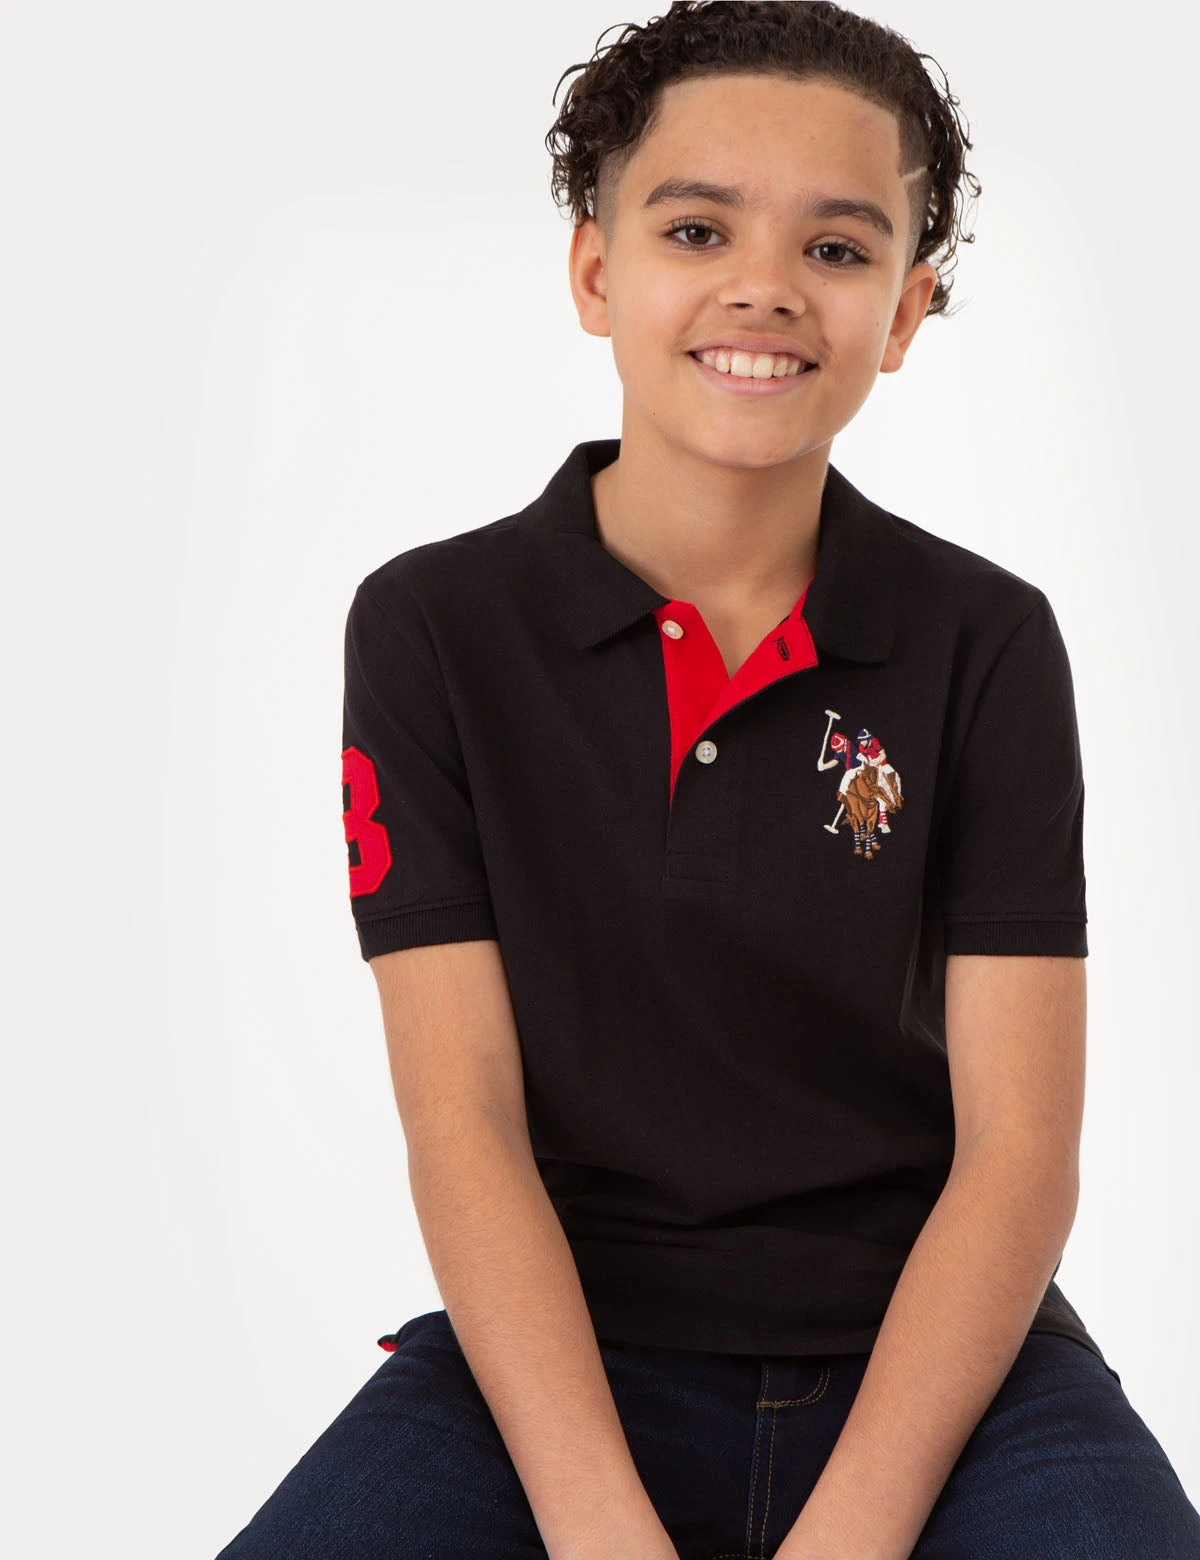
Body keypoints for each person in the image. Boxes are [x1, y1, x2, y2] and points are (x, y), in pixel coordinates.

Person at [215, 4, 1200, 1556]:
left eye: (837, 247)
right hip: (560, 1356)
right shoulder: (433, 628)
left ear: (905, 310)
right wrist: (597, 1523)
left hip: (939, 1366)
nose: (765, 286)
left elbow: (1020, 1154)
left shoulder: (987, 641)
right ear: (596, 273)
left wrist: (857, 1525)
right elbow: (463, 1121)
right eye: (695, 228)